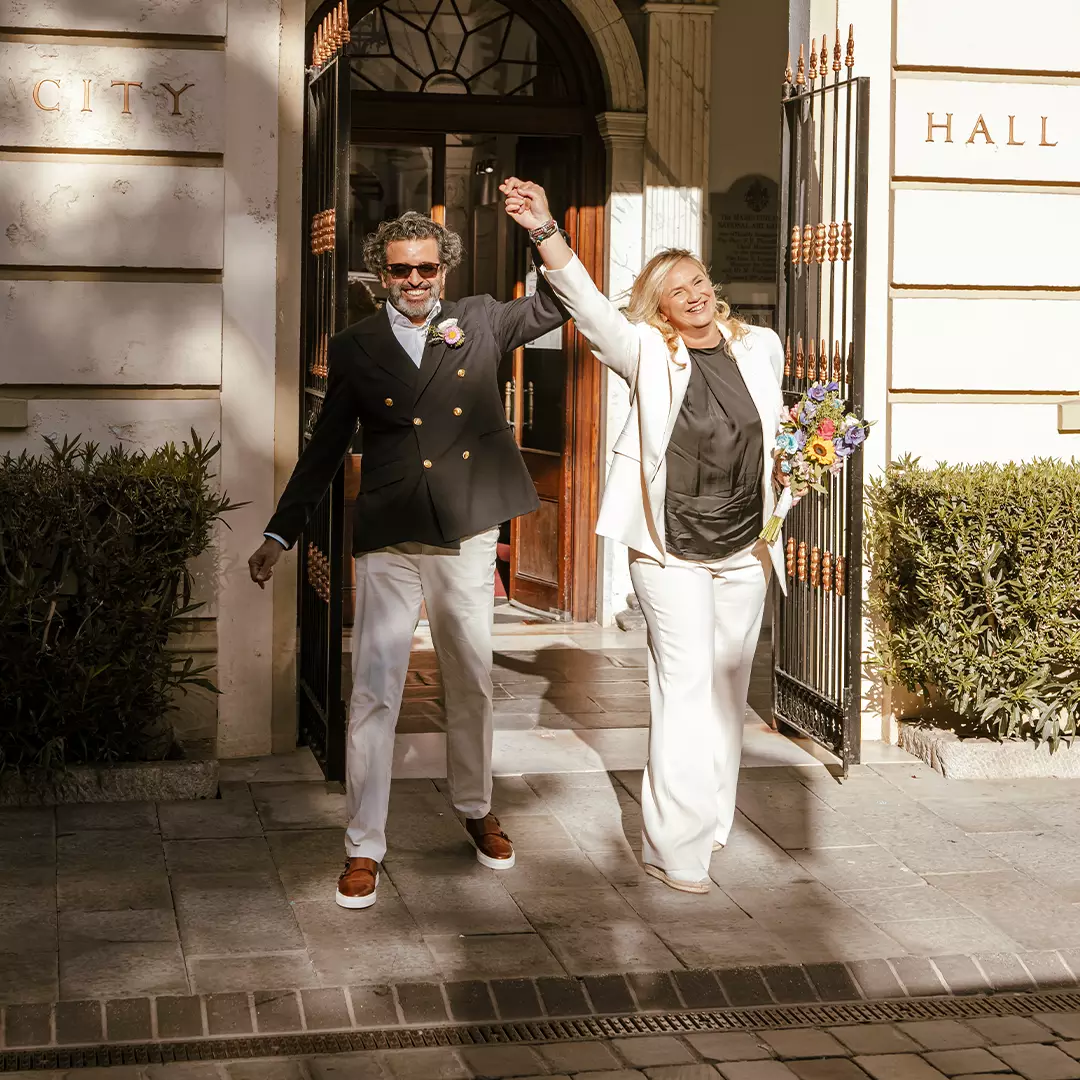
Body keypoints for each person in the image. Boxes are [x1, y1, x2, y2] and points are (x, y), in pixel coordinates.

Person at [248, 209, 568, 909]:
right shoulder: (356, 345)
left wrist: (543, 230)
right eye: (401, 269)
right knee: (373, 689)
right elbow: (326, 447)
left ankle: (476, 806)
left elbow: (561, 300)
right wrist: (281, 532)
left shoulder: (481, 319)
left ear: (443, 269)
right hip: (391, 531)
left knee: (471, 680)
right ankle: (363, 846)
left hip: (465, 528)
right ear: (382, 274)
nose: (415, 280)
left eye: (427, 268)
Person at [501, 178, 787, 895]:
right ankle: (675, 845)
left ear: (711, 287)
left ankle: (711, 820)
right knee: (686, 688)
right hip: (670, 549)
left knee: (726, 692)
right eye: (674, 289)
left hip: (744, 545)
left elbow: (775, 433)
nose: (691, 294)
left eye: (697, 282)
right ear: (658, 305)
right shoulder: (647, 353)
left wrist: (803, 463)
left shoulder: (761, 347)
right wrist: (544, 228)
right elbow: (588, 308)